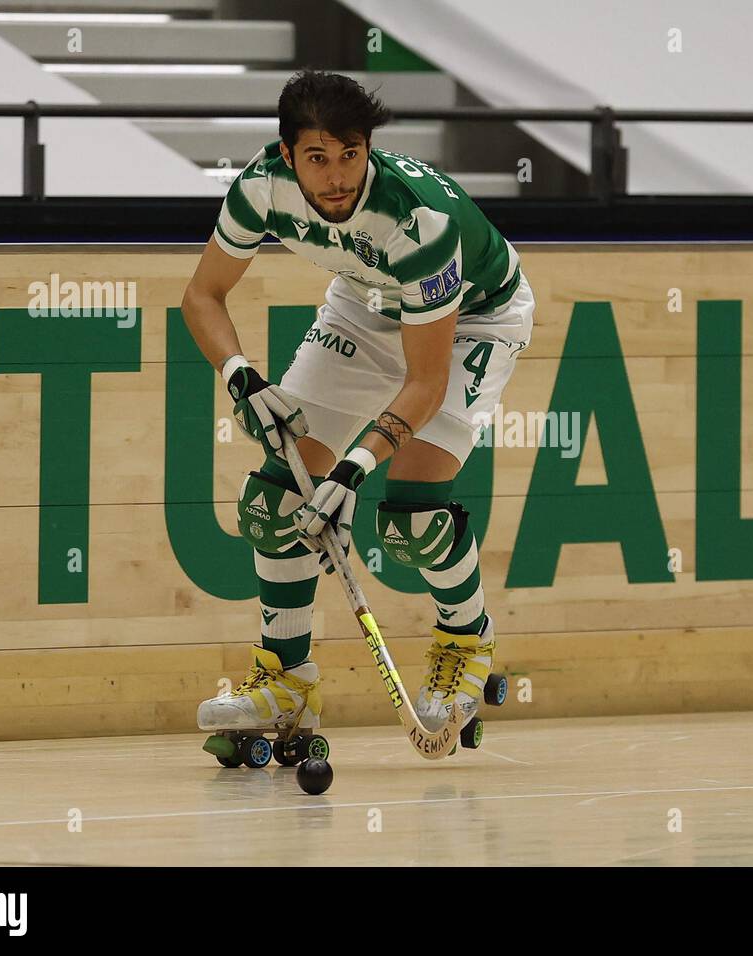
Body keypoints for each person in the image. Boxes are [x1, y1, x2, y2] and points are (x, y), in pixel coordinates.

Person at [181, 70, 532, 761]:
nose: (337, 177)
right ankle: (286, 681)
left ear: (368, 148)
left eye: (351, 154)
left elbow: (426, 379)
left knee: (410, 521)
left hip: (474, 321)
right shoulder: (259, 190)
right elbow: (202, 296)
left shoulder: (417, 221)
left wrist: (356, 465)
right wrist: (241, 376)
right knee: (272, 504)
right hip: (366, 306)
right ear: (288, 157)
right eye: (317, 158)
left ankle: (466, 641)